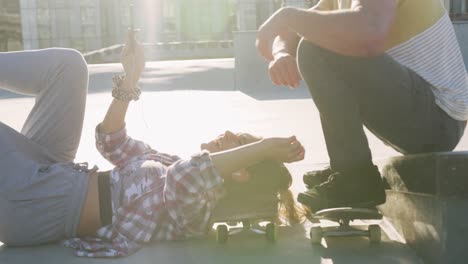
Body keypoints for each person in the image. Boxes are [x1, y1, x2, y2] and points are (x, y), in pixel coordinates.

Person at [0, 30, 305, 257]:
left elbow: (186, 177)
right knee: (70, 65)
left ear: (239, 172)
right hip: (54, 176)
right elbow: (111, 142)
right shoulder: (167, 162)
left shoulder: (197, 209)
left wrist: (265, 148)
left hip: (34, 204)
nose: (228, 133)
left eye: (238, 143)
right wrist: (131, 79)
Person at [256, 0, 468, 213]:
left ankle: (356, 177)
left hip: (439, 116)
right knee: (318, 39)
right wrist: (282, 53)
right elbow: (294, 30)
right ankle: (346, 168)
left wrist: (286, 16)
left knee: (317, 48)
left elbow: (370, 32)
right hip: (421, 112)